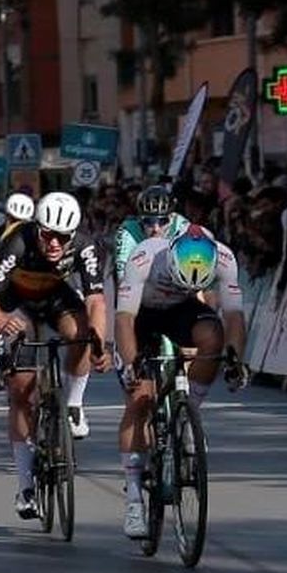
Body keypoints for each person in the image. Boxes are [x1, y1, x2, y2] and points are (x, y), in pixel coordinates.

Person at [0, 192, 109, 518]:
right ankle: (24, 486)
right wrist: (2, 323)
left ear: (73, 235)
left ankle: (74, 404)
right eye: (48, 234)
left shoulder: (85, 246)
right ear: (37, 227)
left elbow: (96, 302)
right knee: (22, 391)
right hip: (16, 303)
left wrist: (99, 343)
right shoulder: (17, 243)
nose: (54, 242)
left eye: (62, 237)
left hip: (55, 299)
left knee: (80, 333)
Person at [114, 225, 247, 539]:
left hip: (181, 310)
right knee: (140, 399)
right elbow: (123, 320)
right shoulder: (145, 255)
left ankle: (189, 417)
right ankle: (134, 497)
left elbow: (234, 318)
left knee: (213, 339)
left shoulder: (225, 258)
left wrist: (235, 361)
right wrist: (133, 364)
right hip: (141, 314)